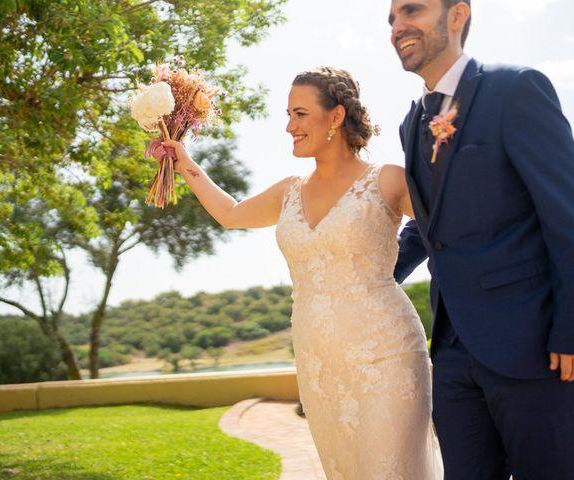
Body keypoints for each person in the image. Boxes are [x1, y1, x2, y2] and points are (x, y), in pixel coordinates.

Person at [154, 66, 443, 479]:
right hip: (318, 363)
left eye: (300, 114)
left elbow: (452, 229)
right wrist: (184, 162)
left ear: (337, 117)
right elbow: (231, 214)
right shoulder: (289, 189)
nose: (289, 126)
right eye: (288, 114)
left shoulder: (388, 180)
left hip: (387, 355)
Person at [388, 0, 574, 479]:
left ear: (457, 15)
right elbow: (430, 226)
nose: (397, 26)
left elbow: (570, 216)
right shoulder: (412, 123)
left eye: (411, 10)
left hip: (534, 345)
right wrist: (368, 276)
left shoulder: (514, 89)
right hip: (450, 353)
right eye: (391, 19)